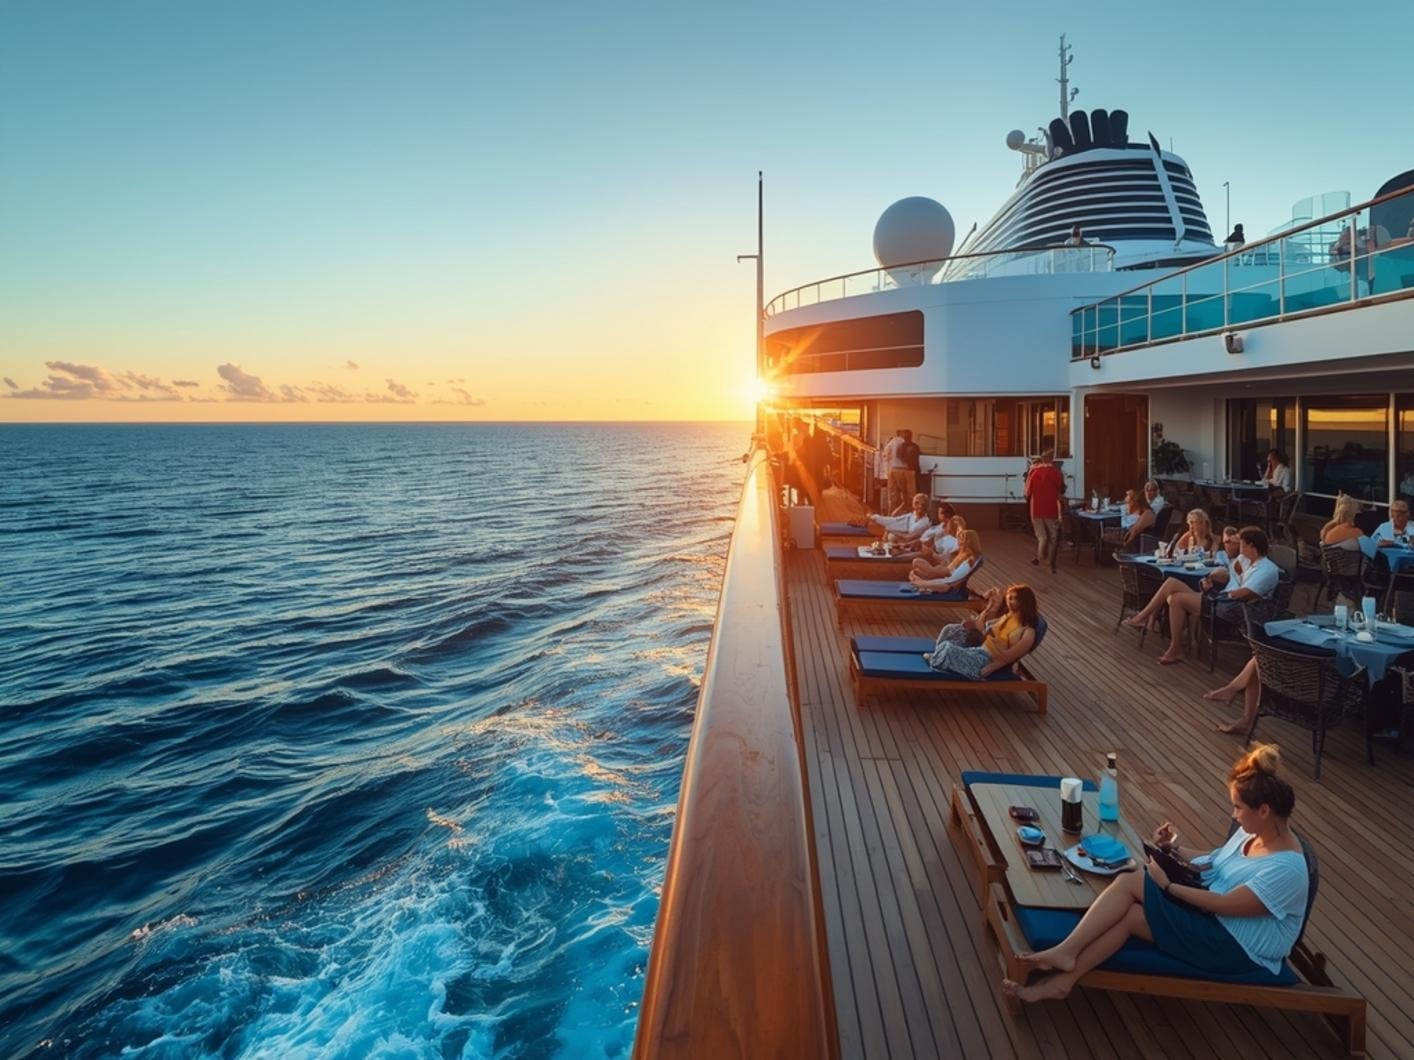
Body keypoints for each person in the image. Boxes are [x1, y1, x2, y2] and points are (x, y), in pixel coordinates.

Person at [1003, 744, 1309, 1004]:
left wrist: (1168, 888)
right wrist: (1172, 849)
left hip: (1234, 949)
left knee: (1131, 880)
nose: (1234, 815)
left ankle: (1065, 951)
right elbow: (1214, 861)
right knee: (1132, 917)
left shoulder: (1287, 870)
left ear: (1265, 810)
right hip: (1212, 925)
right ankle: (1064, 981)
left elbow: (1225, 904)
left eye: (1238, 807)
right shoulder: (1254, 832)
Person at [923, 583, 1038, 680]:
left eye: (1015, 599)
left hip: (985, 661)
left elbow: (1009, 657)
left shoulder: (1028, 632)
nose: (1010, 602)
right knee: (946, 643)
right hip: (980, 651)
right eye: (1010, 598)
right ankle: (937, 657)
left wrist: (991, 668)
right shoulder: (1008, 617)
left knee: (948, 649)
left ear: (1024, 602)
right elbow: (987, 632)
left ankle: (936, 659)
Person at [1025, 449, 1065, 570]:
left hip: (1036, 509)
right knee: (1053, 536)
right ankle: (1050, 560)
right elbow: (1061, 489)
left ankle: (1039, 557)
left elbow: (1027, 493)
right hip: (1051, 509)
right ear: (1052, 459)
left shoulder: (1034, 473)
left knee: (1042, 536)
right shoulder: (1056, 473)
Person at [909, 529, 981, 593]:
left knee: (921, 580)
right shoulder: (965, 556)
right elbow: (953, 573)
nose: (959, 542)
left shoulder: (970, 559)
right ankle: (921, 583)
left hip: (948, 584)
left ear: (969, 542)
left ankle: (920, 583)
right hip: (947, 580)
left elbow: (953, 579)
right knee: (919, 573)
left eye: (962, 540)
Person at [866, 492, 931, 544]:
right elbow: (893, 520)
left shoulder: (925, 522)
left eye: (923, 504)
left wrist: (890, 529)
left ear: (926, 506)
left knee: (891, 536)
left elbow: (908, 537)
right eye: (917, 503)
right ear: (913, 505)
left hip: (910, 544)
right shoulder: (912, 516)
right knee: (889, 533)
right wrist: (875, 517)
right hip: (903, 540)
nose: (920, 506)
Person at [883, 430, 909, 514]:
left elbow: (885, 455)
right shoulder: (904, 442)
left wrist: (887, 468)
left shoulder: (892, 442)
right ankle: (902, 512)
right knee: (904, 492)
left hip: (892, 469)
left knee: (892, 492)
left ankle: (891, 512)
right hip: (902, 469)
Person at [898, 429, 921, 511]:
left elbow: (916, 458)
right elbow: (900, 457)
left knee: (911, 493)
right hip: (906, 471)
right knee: (905, 492)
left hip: (912, 471)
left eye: (907, 436)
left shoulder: (914, 446)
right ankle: (907, 508)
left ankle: (912, 509)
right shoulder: (902, 446)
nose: (906, 438)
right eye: (905, 436)